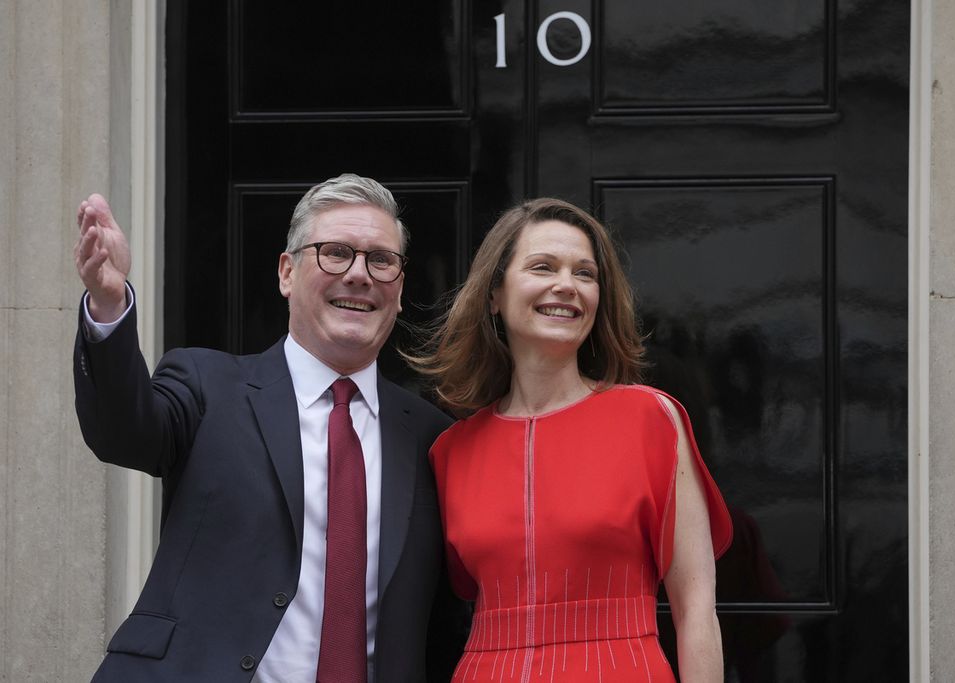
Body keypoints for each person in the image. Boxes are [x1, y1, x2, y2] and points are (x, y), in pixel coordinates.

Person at [72, 174, 457, 682]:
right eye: (335, 252)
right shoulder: (208, 385)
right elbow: (122, 431)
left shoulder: (432, 436)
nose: (360, 275)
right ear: (287, 273)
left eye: (380, 260)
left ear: (400, 288)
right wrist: (109, 307)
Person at [411, 198, 734, 681]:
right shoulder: (450, 450)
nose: (566, 285)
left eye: (585, 274)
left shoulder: (650, 418)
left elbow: (695, 610)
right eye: (543, 267)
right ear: (494, 293)